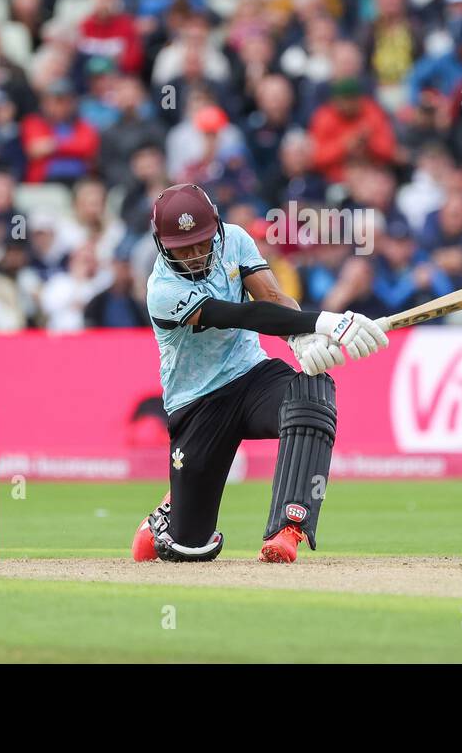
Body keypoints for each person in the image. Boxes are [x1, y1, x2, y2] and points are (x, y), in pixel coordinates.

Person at [132, 183, 389, 565]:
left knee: (313, 392)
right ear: (161, 245)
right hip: (196, 404)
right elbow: (241, 314)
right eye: (182, 249)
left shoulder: (234, 240)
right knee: (189, 548)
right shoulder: (163, 290)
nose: (195, 256)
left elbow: (269, 298)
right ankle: (171, 512)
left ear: (216, 227)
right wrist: (323, 322)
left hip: (250, 376)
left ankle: (288, 528)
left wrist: (299, 336)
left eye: (202, 242)